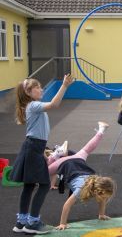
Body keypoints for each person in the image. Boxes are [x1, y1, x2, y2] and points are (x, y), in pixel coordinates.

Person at [10, 74, 74, 234]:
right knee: (45, 184)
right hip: (32, 148)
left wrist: (43, 154)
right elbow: (54, 104)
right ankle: (32, 222)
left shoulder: (33, 106)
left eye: (40, 86)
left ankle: (21, 222)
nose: (41, 89)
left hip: (33, 148)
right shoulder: (33, 105)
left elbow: (36, 133)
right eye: (37, 87)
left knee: (29, 185)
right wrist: (64, 85)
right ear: (28, 92)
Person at [46, 121, 116, 230]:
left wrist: (101, 214)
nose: (105, 199)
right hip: (64, 163)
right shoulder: (80, 189)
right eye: (105, 196)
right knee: (42, 173)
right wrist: (63, 223)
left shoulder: (98, 186)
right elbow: (67, 205)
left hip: (78, 160)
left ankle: (101, 129)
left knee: (87, 149)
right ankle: (55, 154)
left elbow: (102, 199)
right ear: (98, 191)